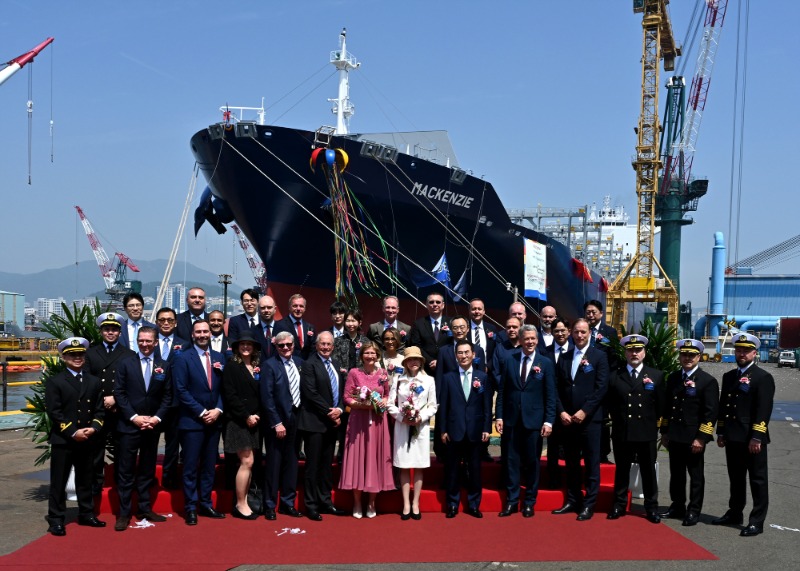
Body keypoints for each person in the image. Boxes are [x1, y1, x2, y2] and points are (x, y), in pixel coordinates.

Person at [712, 333, 774, 537]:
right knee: (736, 478)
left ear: (754, 353)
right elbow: (724, 406)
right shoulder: (729, 376)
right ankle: (735, 513)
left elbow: (763, 409)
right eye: (738, 350)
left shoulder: (763, 377)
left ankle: (756, 521)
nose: (741, 354)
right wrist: (721, 431)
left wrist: (757, 436)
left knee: (757, 480)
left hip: (752, 438)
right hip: (732, 436)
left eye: (746, 351)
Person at [112, 326, 171, 531]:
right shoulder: (125, 363)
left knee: (147, 470)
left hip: (152, 426)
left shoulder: (164, 366)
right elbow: (119, 393)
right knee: (126, 471)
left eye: (148, 341)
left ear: (156, 342)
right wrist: (134, 417)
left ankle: (144, 508)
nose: (144, 344)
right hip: (129, 426)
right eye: (141, 341)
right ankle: (124, 513)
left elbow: (168, 396)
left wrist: (156, 418)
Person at [45, 337, 106, 536]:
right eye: (72, 355)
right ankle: (56, 519)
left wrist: (93, 428)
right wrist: (73, 431)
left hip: (87, 438)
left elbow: (99, 410)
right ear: (64, 357)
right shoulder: (55, 381)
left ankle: (86, 513)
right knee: (59, 481)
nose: (77, 358)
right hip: (64, 439)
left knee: (85, 479)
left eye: (80, 354)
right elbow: (54, 412)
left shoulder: (94, 381)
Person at [550, 318, 609, 520]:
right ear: (571, 333)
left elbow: (601, 388)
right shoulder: (564, 357)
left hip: (590, 420)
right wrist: (561, 412)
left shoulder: (599, 356)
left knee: (591, 463)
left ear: (590, 333)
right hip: (568, 420)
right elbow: (556, 387)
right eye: (576, 332)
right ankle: (573, 499)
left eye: (583, 332)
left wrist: (585, 411)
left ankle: (589, 504)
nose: (580, 335)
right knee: (572, 463)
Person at [496, 325, 556, 518]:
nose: (530, 342)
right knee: (511, 462)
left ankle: (529, 501)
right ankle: (512, 501)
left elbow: (550, 395)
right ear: (520, 340)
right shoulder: (509, 360)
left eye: (533, 339)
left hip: (534, 421)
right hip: (512, 420)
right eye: (526, 339)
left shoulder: (545, 363)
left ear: (537, 340)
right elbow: (503, 392)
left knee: (532, 463)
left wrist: (549, 421)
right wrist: (499, 416)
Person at [659, 339, 719, 527]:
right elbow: (668, 407)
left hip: (694, 437)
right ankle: (677, 505)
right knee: (676, 474)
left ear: (698, 357)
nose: (687, 358)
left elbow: (710, 413)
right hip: (675, 435)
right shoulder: (674, 378)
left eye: (691, 355)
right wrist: (665, 431)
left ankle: (694, 510)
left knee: (696, 476)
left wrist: (701, 438)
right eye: (684, 354)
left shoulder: (708, 381)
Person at [606, 334, 664, 523]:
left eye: (638, 350)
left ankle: (651, 507)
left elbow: (661, 406)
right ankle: (619, 504)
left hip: (646, 432)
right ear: (625, 353)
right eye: (630, 350)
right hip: (623, 431)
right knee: (622, 471)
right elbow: (610, 404)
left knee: (648, 472)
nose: (634, 353)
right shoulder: (615, 376)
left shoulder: (656, 375)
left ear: (644, 353)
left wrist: (657, 428)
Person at [173, 319, 226, 525]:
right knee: (190, 467)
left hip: (214, 421)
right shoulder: (183, 358)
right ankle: (190, 507)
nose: (203, 335)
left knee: (209, 466)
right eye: (199, 332)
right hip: (192, 421)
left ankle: (205, 503)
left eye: (205, 331)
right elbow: (181, 390)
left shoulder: (219, 357)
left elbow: (224, 388)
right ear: (192, 335)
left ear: (210, 334)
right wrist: (202, 412)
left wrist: (218, 410)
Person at [338, 342, 395, 518]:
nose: (370, 356)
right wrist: (363, 405)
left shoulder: (383, 374)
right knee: (358, 459)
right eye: (367, 353)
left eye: (373, 353)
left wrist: (383, 401)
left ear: (377, 355)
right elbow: (347, 397)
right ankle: (357, 502)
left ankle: (371, 502)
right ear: (361, 355)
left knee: (375, 459)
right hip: (358, 422)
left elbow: (387, 394)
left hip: (378, 422)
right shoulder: (354, 373)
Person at [438, 339, 492, 518]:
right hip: (454, 430)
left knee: (475, 469)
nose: (464, 356)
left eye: (467, 352)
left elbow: (486, 405)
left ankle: (474, 504)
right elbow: (444, 406)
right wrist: (443, 430)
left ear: (473, 354)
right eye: (460, 353)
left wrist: (487, 428)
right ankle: (452, 504)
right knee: (452, 470)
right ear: (456, 356)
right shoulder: (448, 377)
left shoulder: (482, 377)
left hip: (475, 430)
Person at [83, 312, 135, 495]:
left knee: (122, 450)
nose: (110, 333)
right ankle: (95, 487)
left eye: (114, 329)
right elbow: (86, 381)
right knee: (96, 450)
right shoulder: (90, 354)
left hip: (119, 410)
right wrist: (102, 399)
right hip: (98, 410)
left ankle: (122, 487)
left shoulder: (129, 354)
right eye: (107, 329)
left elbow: (132, 383)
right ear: (101, 332)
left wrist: (115, 398)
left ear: (120, 333)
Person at [296, 331, 346, 520]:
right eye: (322, 344)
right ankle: (311, 505)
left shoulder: (335, 364)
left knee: (326, 466)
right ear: (317, 345)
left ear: (333, 346)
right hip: (314, 423)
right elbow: (310, 393)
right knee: (313, 466)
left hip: (331, 424)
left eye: (329, 344)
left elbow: (340, 391)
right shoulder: (309, 364)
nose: (326, 347)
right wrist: (330, 413)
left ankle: (326, 502)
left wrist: (339, 410)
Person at [387, 346, 437, 520]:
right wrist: (402, 417)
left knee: (419, 465)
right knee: (404, 465)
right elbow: (390, 404)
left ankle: (415, 503)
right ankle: (406, 504)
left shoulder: (429, 380)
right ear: (405, 362)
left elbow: (433, 405)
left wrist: (420, 417)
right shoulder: (398, 380)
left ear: (421, 362)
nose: (413, 362)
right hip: (402, 427)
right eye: (410, 359)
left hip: (420, 428)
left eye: (416, 359)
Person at [260, 331, 304, 520]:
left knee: (292, 463)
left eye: (289, 344)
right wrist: (276, 422)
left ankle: (288, 503)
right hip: (277, 421)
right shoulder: (269, 365)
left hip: (297, 419)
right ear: (276, 347)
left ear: (293, 345)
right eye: (281, 345)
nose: (285, 348)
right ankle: (270, 505)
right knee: (274, 463)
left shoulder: (300, 363)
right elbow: (267, 397)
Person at [220, 332, 262, 520]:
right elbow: (230, 395)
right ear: (237, 347)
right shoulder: (232, 366)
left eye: (249, 344)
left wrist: (257, 415)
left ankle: (245, 500)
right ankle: (240, 504)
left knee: (250, 463)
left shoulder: (257, 366)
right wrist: (246, 416)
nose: (246, 347)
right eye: (242, 344)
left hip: (255, 421)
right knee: (247, 461)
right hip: (238, 421)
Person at [433, 316, 487, 461]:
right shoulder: (444, 351)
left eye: (462, 327)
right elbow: (439, 377)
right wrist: (438, 400)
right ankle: (442, 455)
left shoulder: (478, 350)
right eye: (455, 327)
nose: (459, 330)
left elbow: (481, 376)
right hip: (451, 400)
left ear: (468, 329)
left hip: (472, 400)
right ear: (451, 330)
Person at [153, 306, 187, 490]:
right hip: (153, 402)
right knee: (150, 443)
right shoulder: (148, 343)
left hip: (175, 402)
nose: (166, 323)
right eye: (162, 320)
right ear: (156, 322)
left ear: (176, 323)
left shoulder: (185, 344)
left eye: (170, 320)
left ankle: (169, 478)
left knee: (172, 443)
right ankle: (148, 478)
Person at [584, 299, 617, 464]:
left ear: (601, 314)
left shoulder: (609, 332)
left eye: (593, 312)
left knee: (602, 419)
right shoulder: (581, 330)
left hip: (602, 384)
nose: (590, 315)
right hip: (584, 383)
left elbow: (614, 359)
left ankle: (603, 453)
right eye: (588, 312)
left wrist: (607, 382)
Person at [543, 317, 573, 487]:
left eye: (563, 330)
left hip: (571, 408)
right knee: (552, 447)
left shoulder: (577, 351)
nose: (560, 333)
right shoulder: (544, 352)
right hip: (551, 407)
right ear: (552, 333)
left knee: (571, 447)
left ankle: (570, 481)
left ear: (569, 332)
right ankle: (553, 480)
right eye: (556, 331)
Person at [409, 292, 450, 375]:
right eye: (431, 302)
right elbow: (416, 345)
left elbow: (453, 344)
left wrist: (441, 361)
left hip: (447, 367)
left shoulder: (451, 322)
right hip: (426, 369)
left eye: (438, 302)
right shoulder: (418, 324)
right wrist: (430, 361)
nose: (435, 304)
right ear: (427, 305)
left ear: (443, 305)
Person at [274, 294, 316, 360]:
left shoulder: (310, 327)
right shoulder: (279, 325)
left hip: (306, 364)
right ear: (289, 307)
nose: (298, 309)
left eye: (301, 306)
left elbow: (313, 349)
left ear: (305, 308)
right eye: (295, 306)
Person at [469, 298, 497, 367]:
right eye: (474, 309)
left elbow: (495, 350)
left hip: (486, 369)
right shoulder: (464, 327)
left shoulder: (492, 328)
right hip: (468, 367)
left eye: (479, 309)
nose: (477, 311)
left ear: (484, 311)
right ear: (469, 311)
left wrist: (488, 366)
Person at [255, 295, 279, 359]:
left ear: (275, 309)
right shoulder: (252, 331)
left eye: (269, 307)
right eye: (263, 308)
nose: (266, 310)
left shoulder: (284, 330)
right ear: (258, 310)